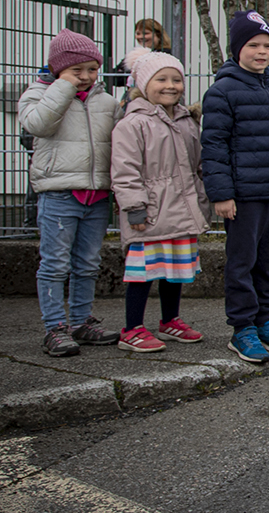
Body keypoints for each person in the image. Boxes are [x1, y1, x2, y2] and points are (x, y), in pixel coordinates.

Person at [201, 10, 269, 365]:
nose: (261, 52)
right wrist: (221, 194)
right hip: (244, 196)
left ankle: (263, 320)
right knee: (241, 262)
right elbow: (214, 148)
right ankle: (242, 328)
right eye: (253, 45)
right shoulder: (222, 91)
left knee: (267, 262)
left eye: (267, 45)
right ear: (237, 49)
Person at [18, 29, 122, 357]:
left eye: (92, 69)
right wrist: (62, 87)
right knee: (54, 264)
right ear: (57, 69)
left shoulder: (106, 102)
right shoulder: (37, 94)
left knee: (88, 262)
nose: (86, 77)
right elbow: (38, 125)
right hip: (59, 192)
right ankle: (55, 327)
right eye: (77, 71)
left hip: (97, 195)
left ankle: (80, 321)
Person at [110, 47, 209, 352]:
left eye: (176, 80)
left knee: (175, 269)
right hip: (150, 211)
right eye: (161, 79)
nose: (170, 86)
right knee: (142, 272)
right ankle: (132, 328)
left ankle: (170, 321)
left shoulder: (188, 122)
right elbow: (125, 171)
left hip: (181, 208)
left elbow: (198, 163)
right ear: (143, 85)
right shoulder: (132, 124)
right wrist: (135, 207)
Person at [105, 18, 172, 99]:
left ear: (158, 35)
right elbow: (114, 78)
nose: (141, 37)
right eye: (138, 33)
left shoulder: (164, 54)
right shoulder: (137, 53)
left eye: (146, 33)